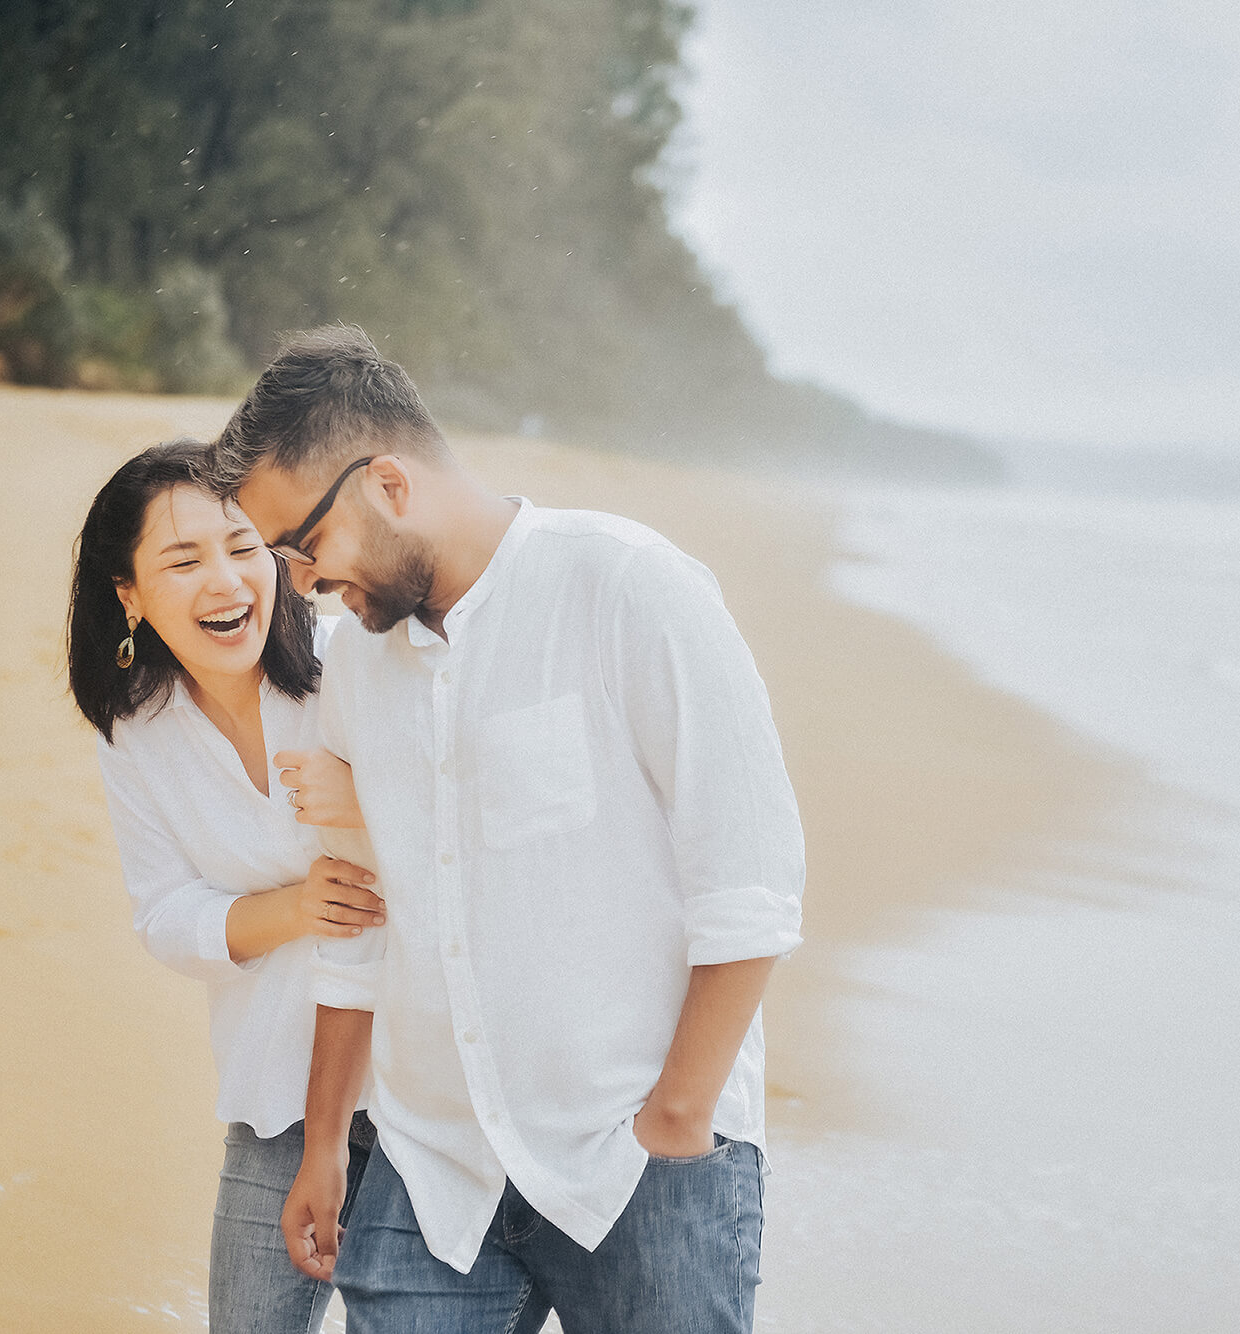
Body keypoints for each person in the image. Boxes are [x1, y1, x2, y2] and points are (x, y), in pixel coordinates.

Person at [208, 327, 806, 1334]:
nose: (298, 583)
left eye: (302, 545)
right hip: (429, 1169)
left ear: (387, 484)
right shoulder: (357, 663)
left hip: (636, 1163)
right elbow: (358, 914)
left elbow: (748, 878)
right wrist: (323, 1143)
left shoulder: (628, 587)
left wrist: (674, 1122)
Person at [65, 439, 386, 1334]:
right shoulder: (136, 731)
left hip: (417, 1089)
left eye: (244, 549)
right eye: (184, 559)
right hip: (275, 1087)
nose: (228, 582)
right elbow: (164, 917)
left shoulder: (350, 664)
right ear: (128, 594)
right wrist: (290, 911)